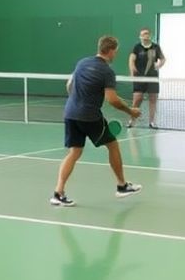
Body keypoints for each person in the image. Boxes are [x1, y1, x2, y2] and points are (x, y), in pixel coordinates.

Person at [52, 35, 143, 207]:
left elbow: (69, 85)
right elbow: (113, 100)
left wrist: (78, 99)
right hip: (89, 116)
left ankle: (58, 193)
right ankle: (122, 186)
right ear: (110, 51)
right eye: (115, 51)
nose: (115, 54)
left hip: (70, 113)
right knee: (113, 144)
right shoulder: (107, 71)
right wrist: (131, 111)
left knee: (74, 152)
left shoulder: (82, 62)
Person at [127, 28, 166, 128]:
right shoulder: (137, 47)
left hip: (152, 78)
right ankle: (132, 120)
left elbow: (163, 59)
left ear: (150, 35)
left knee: (153, 99)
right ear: (140, 36)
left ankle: (152, 122)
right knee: (137, 99)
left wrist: (159, 65)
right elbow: (131, 59)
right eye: (144, 34)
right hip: (139, 78)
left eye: (147, 33)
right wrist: (132, 70)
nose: (146, 35)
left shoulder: (156, 47)